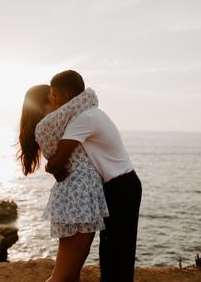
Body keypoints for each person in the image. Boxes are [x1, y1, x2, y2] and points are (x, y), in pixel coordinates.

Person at [46, 70, 142, 282]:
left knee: (117, 251)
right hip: (122, 185)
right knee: (114, 251)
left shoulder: (84, 118)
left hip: (121, 186)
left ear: (63, 96)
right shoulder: (91, 112)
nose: (52, 100)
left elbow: (57, 162)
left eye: (53, 95)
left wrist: (52, 167)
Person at [18, 82, 109, 282]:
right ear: (42, 106)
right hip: (78, 198)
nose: (61, 103)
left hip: (76, 196)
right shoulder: (52, 123)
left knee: (70, 275)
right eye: (54, 98)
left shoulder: (52, 125)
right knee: (64, 276)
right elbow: (84, 101)